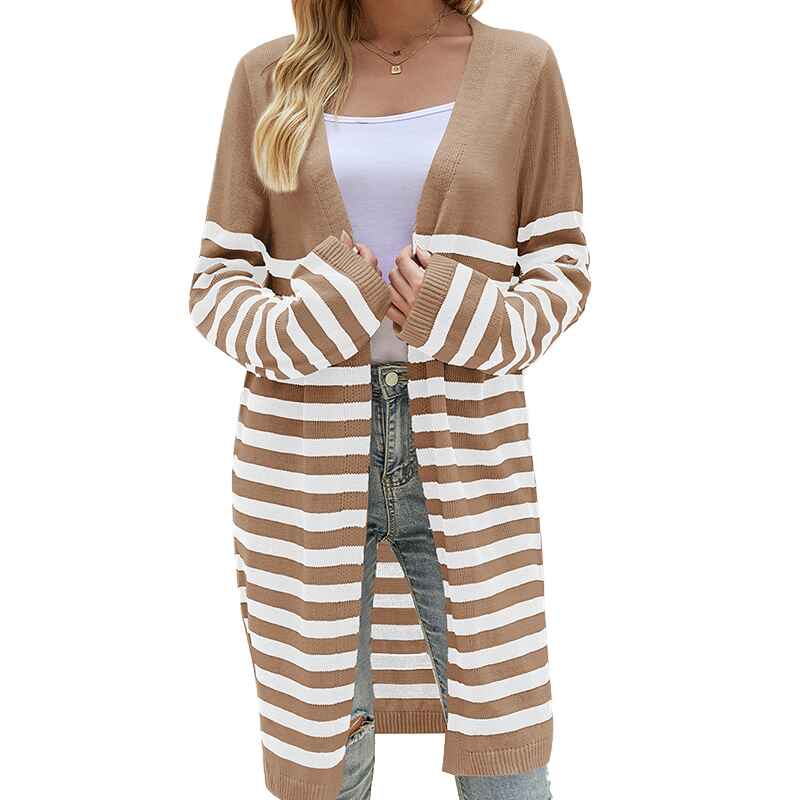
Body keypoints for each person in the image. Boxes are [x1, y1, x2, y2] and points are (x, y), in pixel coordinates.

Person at [189, 2, 590, 798]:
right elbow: (216, 281)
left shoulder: (523, 68)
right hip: (298, 461)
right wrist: (315, 317)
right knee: (328, 752)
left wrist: (457, 310)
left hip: (470, 452)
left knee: (507, 751)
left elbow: (563, 270)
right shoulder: (268, 75)